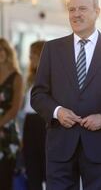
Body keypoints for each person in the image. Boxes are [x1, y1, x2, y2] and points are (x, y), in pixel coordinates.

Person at [31, 0, 101, 190]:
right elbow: (38, 94)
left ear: (97, 12)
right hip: (60, 146)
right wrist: (57, 111)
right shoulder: (52, 49)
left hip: (100, 146)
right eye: (72, 10)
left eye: (82, 9)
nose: (76, 14)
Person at [0, 38, 24, 190]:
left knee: (5, 179)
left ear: (7, 52)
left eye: (1, 49)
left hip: (7, 135)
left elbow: (15, 109)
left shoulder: (17, 78)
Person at [22, 40, 46, 190]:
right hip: (29, 121)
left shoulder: (52, 75)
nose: (30, 57)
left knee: (45, 165)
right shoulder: (30, 77)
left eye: (33, 54)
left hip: (43, 121)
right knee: (31, 165)